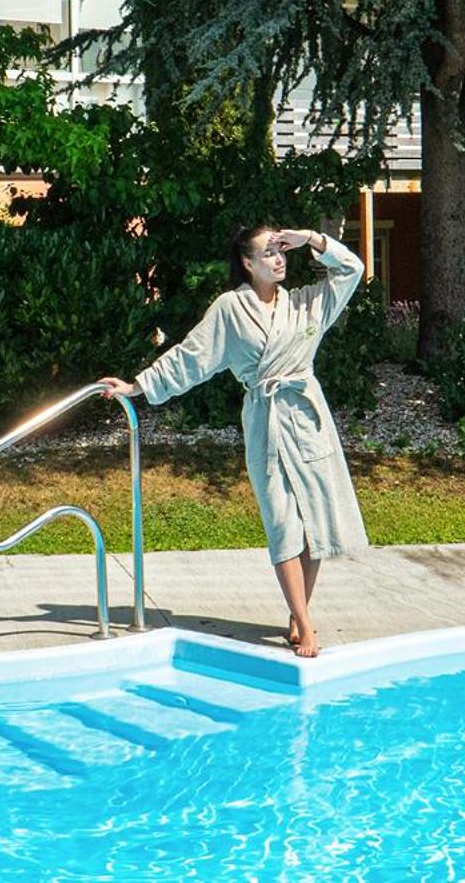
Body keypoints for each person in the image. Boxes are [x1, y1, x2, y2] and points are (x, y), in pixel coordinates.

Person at [100, 225, 370, 658]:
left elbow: (352, 269)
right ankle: (305, 625)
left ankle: (298, 612)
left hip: (308, 419)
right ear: (247, 263)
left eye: (282, 251)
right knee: (283, 523)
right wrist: (138, 386)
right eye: (269, 253)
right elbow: (191, 356)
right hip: (266, 421)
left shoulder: (306, 303)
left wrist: (312, 239)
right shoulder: (230, 309)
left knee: (313, 523)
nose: (279, 259)